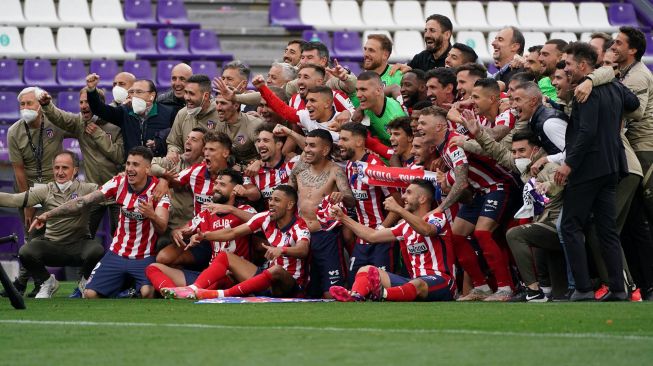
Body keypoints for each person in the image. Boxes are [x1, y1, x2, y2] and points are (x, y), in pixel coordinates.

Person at [32, 146, 171, 299]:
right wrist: (48, 214)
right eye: (128, 164)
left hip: (144, 256)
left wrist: (151, 215)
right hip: (117, 253)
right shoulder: (118, 182)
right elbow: (82, 201)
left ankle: (130, 290)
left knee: (147, 293)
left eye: (135, 165)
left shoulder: (158, 191)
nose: (130, 169)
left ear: (147, 169)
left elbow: (162, 226)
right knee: (90, 294)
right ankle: (124, 290)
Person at [558, 42, 639, 301]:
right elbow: (633, 102)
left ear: (583, 66)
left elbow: (587, 131)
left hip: (588, 168)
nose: (566, 69)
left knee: (571, 225)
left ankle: (582, 288)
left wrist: (569, 163)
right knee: (607, 230)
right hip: (612, 166)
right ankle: (618, 288)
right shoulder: (614, 87)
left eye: (569, 64)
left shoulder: (585, 91)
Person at [419, 106, 516, 302]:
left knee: (482, 233)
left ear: (439, 126)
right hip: (480, 193)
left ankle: (506, 288)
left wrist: (439, 208)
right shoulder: (443, 147)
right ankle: (481, 287)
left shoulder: (454, 143)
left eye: (423, 123)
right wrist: (447, 180)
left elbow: (462, 182)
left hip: (498, 187)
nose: (418, 127)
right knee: (457, 235)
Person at [161, 185, 310, 299]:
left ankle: (219, 295)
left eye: (276, 200)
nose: (271, 203)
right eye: (270, 199)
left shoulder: (299, 225)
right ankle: (193, 289)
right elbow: (232, 233)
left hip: (291, 285)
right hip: (268, 283)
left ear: (290, 205)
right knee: (225, 256)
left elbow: (303, 250)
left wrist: (282, 250)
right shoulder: (265, 217)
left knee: (276, 270)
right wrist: (205, 236)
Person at [329, 179, 455, 302]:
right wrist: (343, 218)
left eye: (409, 193)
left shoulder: (437, 217)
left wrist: (399, 209)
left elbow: (427, 230)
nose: (403, 196)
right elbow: (372, 236)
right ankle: (356, 296)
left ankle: (381, 294)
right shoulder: (405, 226)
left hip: (442, 281)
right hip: (413, 282)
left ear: (422, 199)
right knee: (366, 270)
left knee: (417, 284)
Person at [0, 151, 105, 298]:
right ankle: (47, 282)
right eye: (56, 168)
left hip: (78, 246)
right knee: (26, 251)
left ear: (75, 170)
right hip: (52, 246)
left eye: (65, 168)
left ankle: (85, 281)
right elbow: (13, 199)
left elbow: (111, 193)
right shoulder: (45, 190)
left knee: (97, 250)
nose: (60, 172)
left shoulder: (87, 189)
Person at [145, 169, 256, 294]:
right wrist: (176, 233)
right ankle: (175, 294)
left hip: (233, 276)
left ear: (235, 190)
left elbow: (260, 221)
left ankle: (195, 291)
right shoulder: (206, 212)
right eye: (216, 183)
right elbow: (184, 229)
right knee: (153, 268)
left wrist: (231, 209)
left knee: (220, 277)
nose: (216, 188)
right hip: (208, 276)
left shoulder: (244, 210)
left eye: (222, 185)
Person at [38, 88, 124, 237]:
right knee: (83, 235)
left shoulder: (117, 123)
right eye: (81, 102)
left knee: (119, 236)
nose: (83, 106)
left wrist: (98, 134)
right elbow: (61, 118)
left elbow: (119, 156)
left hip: (118, 191)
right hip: (93, 191)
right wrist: (47, 106)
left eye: (88, 102)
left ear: (99, 104)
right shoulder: (80, 122)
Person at [7, 87, 68, 296]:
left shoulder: (54, 122)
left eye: (29, 103)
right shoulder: (14, 131)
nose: (25, 108)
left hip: (54, 187)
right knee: (29, 235)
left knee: (40, 237)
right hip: (28, 186)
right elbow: (19, 171)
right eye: (22, 104)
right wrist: (28, 203)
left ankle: (23, 283)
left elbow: (76, 126)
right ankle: (29, 282)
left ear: (40, 106)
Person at [290, 129, 354, 297]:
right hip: (301, 236)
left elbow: (350, 199)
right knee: (306, 292)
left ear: (325, 150)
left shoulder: (335, 171)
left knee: (331, 292)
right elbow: (287, 196)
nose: (306, 150)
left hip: (326, 235)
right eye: (305, 145)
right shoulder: (298, 170)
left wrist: (341, 196)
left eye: (312, 145)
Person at [338, 123, 403, 279]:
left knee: (381, 288)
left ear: (359, 142)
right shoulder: (349, 165)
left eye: (344, 139)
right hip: (362, 239)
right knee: (356, 287)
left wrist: (379, 231)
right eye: (340, 139)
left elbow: (398, 203)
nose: (340, 143)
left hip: (382, 237)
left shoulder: (375, 167)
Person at [85, 74, 175, 157]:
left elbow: (177, 139)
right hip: (133, 167)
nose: (134, 96)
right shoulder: (125, 112)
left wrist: (160, 142)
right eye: (132, 92)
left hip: (159, 168)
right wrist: (92, 90)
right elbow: (100, 110)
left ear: (152, 95)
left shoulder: (168, 113)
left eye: (139, 92)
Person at [151, 128, 206, 253]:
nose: (188, 142)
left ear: (204, 148)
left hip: (194, 227)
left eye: (194, 139)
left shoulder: (207, 168)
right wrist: (164, 174)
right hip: (170, 226)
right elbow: (150, 165)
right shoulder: (176, 160)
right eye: (187, 138)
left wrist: (166, 181)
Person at [165, 74, 219, 164]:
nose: (186, 97)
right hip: (185, 169)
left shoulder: (220, 115)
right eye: (186, 92)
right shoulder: (182, 113)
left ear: (205, 96)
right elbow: (173, 143)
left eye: (191, 93)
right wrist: (173, 151)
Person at [214, 92, 264, 166]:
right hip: (234, 168)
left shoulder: (253, 124)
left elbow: (267, 155)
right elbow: (218, 151)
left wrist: (259, 163)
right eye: (217, 103)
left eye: (223, 103)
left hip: (257, 170)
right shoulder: (221, 124)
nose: (218, 108)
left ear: (236, 105)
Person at [358, 71, 407, 146]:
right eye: (357, 90)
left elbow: (404, 150)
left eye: (363, 90)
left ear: (378, 91)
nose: (358, 95)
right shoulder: (366, 104)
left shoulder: (395, 117)